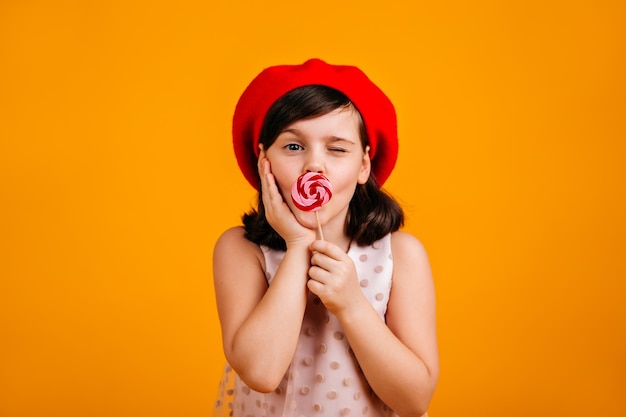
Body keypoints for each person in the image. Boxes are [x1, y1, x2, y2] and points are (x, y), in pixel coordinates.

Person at [213, 59, 438, 417]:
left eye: (337, 149)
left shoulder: (401, 256)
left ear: (364, 165)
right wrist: (299, 246)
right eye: (293, 147)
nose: (314, 166)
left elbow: (414, 400)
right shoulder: (241, 249)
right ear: (263, 161)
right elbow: (261, 372)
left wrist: (351, 303)